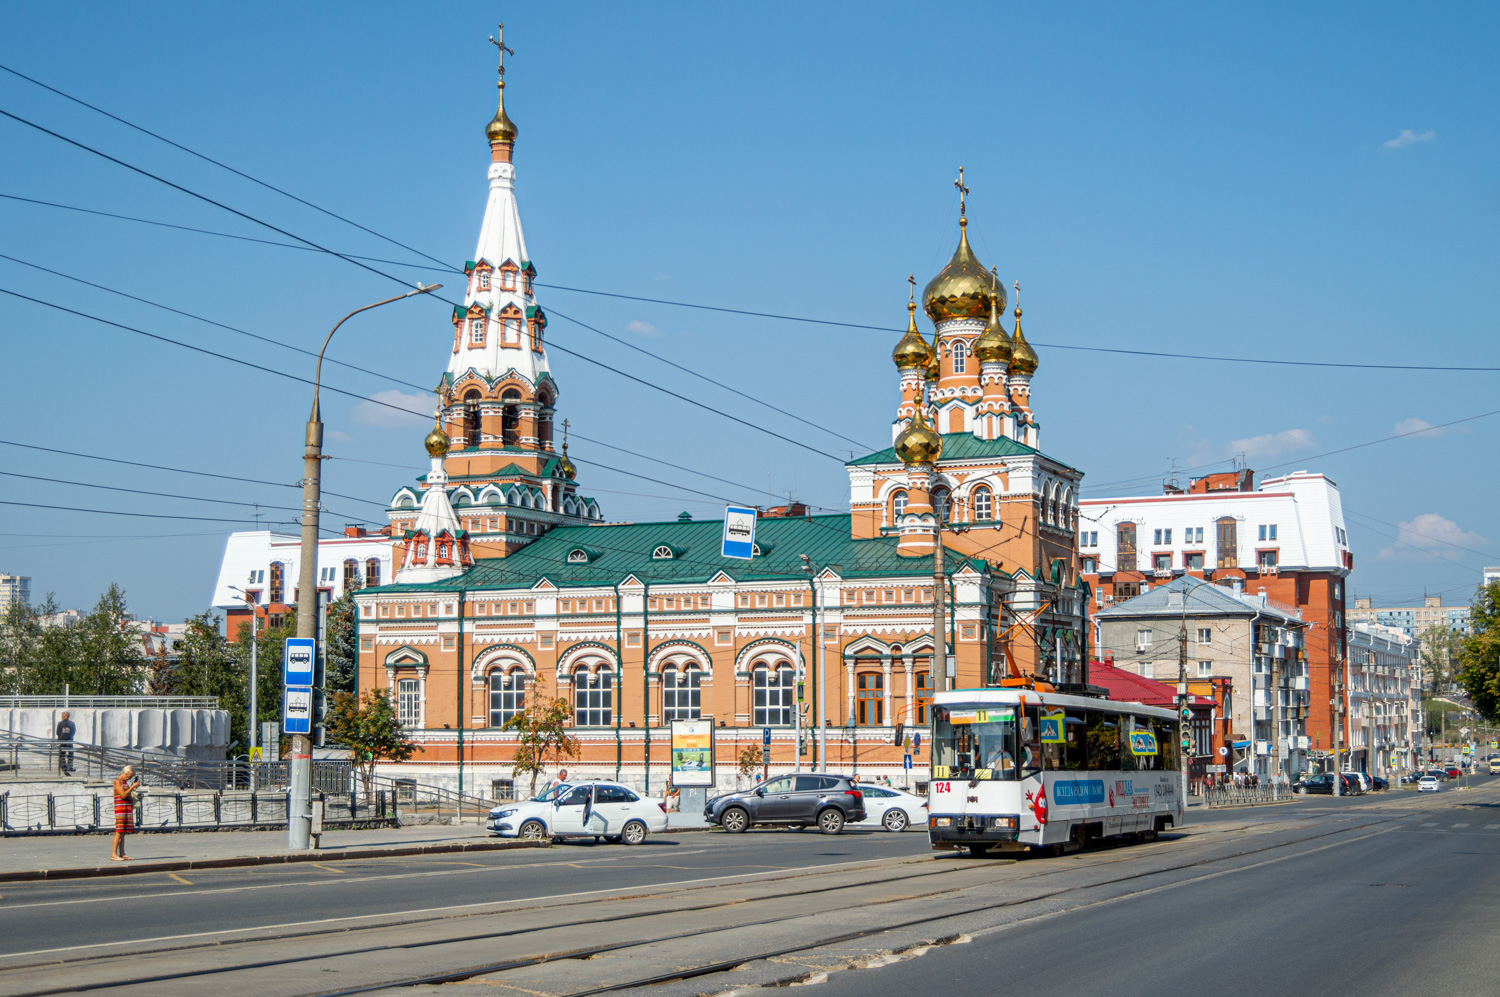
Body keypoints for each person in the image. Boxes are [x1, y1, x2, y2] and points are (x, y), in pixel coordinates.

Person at [111, 765, 139, 862]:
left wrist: (133, 788)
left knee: (123, 832)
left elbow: (126, 793)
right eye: (129, 777)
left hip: (126, 808)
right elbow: (123, 795)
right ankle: (114, 854)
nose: (129, 779)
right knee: (119, 831)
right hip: (120, 809)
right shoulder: (117, 781)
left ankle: (122, 853)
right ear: (125, 773)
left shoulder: (124, 782)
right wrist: (132, 787)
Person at [55, 711, 76, 776]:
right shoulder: (72, 723)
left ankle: (64, 768)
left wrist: (61, 737)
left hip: (62, 741)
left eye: (62, 715)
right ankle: (70, 767)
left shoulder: (60, 723)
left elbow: (57, 732)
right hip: (69, 741)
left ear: (64, 716)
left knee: (62, 755)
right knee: (70, 754)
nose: (61, 717)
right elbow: (73, 732)